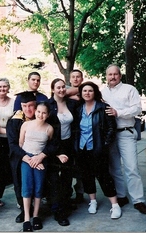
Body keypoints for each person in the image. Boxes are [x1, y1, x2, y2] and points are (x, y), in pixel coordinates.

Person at [102, 64, 146, 214]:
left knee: (131, 167)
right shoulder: (103, 93)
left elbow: (137, 109)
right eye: (110, 74)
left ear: (120, 76)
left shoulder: (129, 89)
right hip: (110, 135)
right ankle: (121, 196)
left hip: (125, 132)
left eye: (115, 74)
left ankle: (138, 200)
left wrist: (118, 112)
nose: (112, 77)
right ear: (106, 76)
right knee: (114, 168)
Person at [6, 91, 56, 225]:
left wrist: (40, 157)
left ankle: (39, 213)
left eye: (31, 106)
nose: (28, 109)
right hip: (20, 157)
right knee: (22, 185)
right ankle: (25, 211)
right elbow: (14, 144)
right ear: (20, 107)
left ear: (36, 105)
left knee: (42, 184)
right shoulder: (15, 121)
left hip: (40, 158)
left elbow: (53, 143)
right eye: (24, 106)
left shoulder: (47, 122)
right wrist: (28, 158)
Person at [74, 81, 121, 219]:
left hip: (98, 148)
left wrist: (105, 144)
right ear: (81, 93)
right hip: (82, 148)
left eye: (90, 90)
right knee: (87, 176)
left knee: (103, 175)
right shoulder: (78, 109)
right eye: (84, 91)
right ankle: (92, 201)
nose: (87, 93)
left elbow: (112, 128)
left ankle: (115, 205)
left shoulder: (103, 107)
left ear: (95, 92)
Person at [46, 78, 79, 226]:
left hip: (69, 145)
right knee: (54, 179)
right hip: (53, 145)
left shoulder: (72, 104)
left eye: (63, 88)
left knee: (67, 177)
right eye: (58, 88)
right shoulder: (47, 105)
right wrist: (54, 151)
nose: (61, 90)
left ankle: (64, 207)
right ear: (53, 89)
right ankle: (56, 210)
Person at [19, 101, 54, 231]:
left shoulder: (49, 128)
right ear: (35, 111)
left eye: (44, 113)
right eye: (38, 111)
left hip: (40, 160)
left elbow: (48, 146)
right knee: (27, 187)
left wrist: (38, 159)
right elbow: (20, 144)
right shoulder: (26, 125)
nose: (41, 115)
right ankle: (27, 218)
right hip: (26, 158)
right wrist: (29, 160)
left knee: (38, 187)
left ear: (48, 114)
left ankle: (36, 216)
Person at [0, 78, 15, 207]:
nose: (2, 89)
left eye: (5, 87)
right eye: (0, 87)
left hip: (10, 140)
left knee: (7, 170)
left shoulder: (13, 102)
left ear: (8, 88)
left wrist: (11, 134)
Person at [68, 69, 85, 204]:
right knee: (68, 164)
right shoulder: (66, 90)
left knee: (81, 164)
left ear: (82, 78)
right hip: (69, 132)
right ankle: (67, 193)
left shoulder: (85, 90)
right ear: (69, 79)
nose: (75, 79)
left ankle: (80, 192)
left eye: (78, 77)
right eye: (73, 77)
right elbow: (61, 93)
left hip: (83, 131)